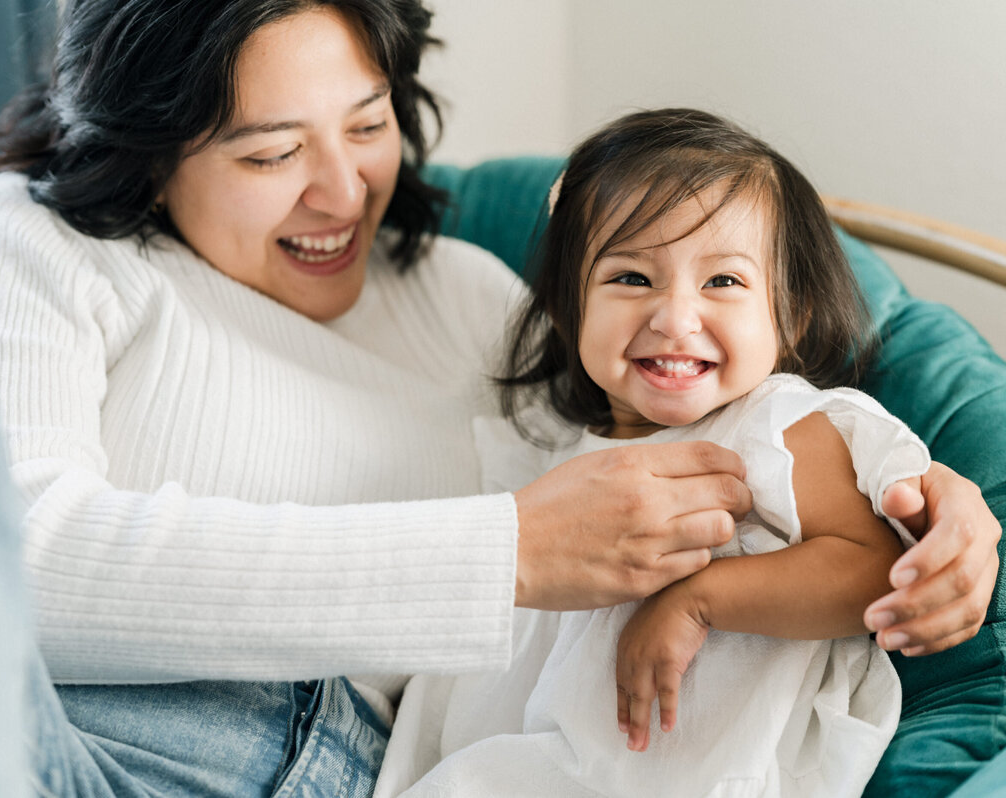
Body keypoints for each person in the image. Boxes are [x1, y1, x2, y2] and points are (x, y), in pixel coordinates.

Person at [0, 0, 998, 794]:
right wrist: (502, 552)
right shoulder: (32, 242)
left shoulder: (467, 294)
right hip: (44, 710)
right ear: (145, 149)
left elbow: (702, 435)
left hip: (326, 755)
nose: (344, 191)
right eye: (271, 154)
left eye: (368, 126)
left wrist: (928, 496)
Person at [377, 108, 936, 797]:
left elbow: (874, 569)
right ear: (566, 307)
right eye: (632, 278)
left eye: (723, 282)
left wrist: (697, 602)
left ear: (790, 313)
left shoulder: (774, 425)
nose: (674, 318)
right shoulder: (554, 447)